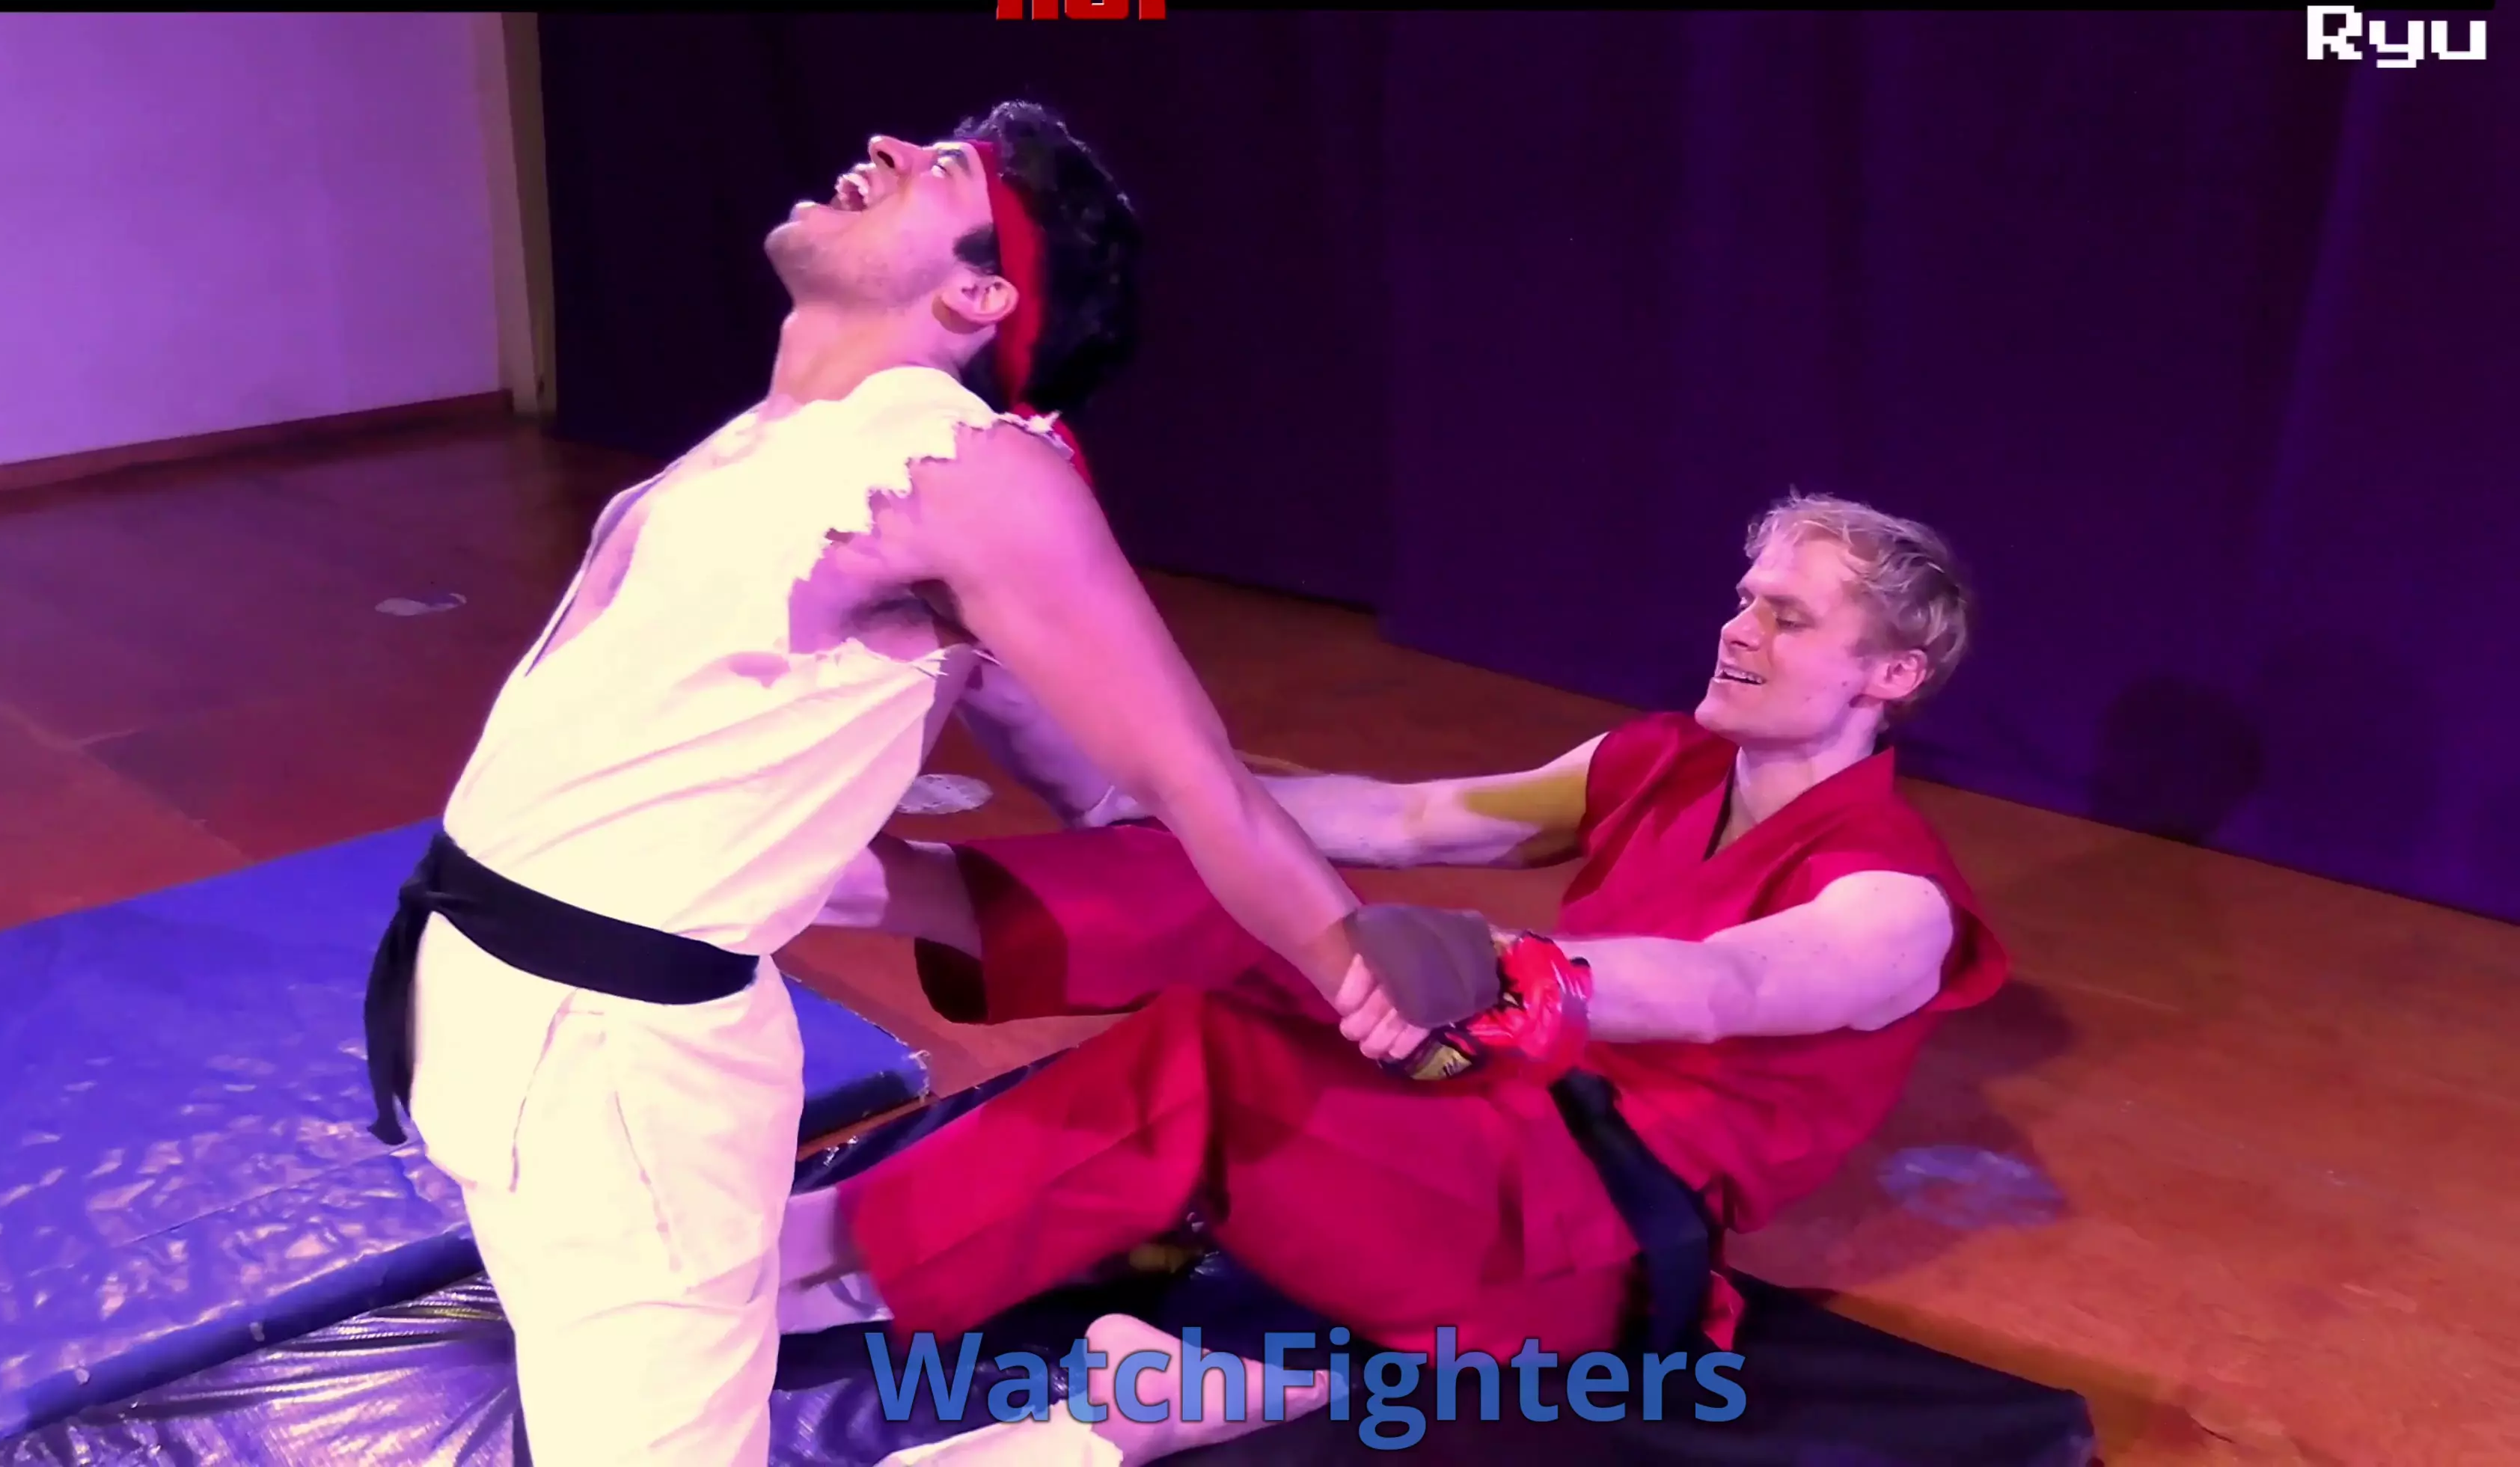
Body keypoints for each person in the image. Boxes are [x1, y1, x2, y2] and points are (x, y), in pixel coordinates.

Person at [354, 100, 1501, 1466]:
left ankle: (1107, 1427)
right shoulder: (784, 436)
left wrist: (1358, 963)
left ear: (980, 292)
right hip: (481, 992)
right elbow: (1096, 784)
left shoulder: (968, 471)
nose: (892, 147)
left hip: (616, 1055)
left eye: (946, 167)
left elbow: (1189, 783)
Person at [785, 494, 2013, 1464]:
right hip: (1481, 1140)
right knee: (1249, 907)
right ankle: (869, 885)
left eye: (1789, 618)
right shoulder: (1663, 761)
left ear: (1892, 675)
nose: (1739, 629)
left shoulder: (1894, 899)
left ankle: (818, 1268)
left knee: (1216, 1055)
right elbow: (1416, 818)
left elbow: (1721, 984)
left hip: (1576, 1257)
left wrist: (1535, 972)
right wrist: (1195, 804)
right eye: (1745, 601)